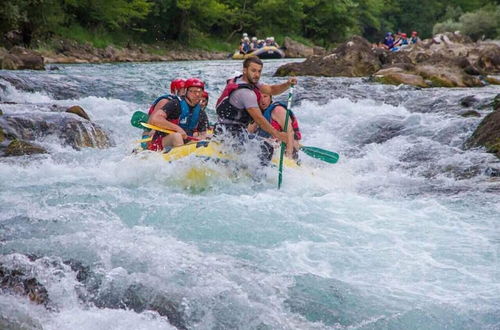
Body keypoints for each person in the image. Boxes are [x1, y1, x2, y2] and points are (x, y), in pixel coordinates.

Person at [214, 56, 297, 165]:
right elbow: (259, 119)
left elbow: (271, 90)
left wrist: (287, 84)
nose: (257, 74)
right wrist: (277, 134)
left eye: (259, 71)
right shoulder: (246, 93)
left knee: (263, 142)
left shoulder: (244, 80)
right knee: (266, 148)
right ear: (245, 70)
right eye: (253, 70)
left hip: (229, 129)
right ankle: (258, 178)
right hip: (229, 133)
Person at [148, 78, 209, 150]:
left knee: (205, 139)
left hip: (184, 143)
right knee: (177, 136)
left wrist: (202, 137)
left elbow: (203, 134)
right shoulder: (175, 103)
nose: (197, 94)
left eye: (200, 92)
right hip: (162, 142)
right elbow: (155, 119)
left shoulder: (201, 113)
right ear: (186, 91)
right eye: (193, 91)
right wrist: (177, 129)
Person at [248, 93, 301, 159]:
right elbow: (249, 132)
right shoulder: (258, 112)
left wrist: (289, 154)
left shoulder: (278, 110)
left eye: (265, 96)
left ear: (270, 98)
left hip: (286, 148)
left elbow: (290, 132)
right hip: (268, 149)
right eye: (259, 97)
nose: (262, 100)